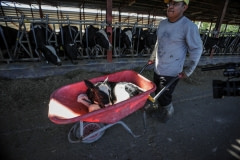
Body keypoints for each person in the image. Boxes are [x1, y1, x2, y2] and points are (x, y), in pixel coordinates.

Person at [148, 0, 203, 122]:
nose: (170, 7)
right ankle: (161, 108)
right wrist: (152, 58)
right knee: (156, 90)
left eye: (175, 4)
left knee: (164, 95)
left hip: (172, 71)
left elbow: (197, 48)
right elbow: (159, 42)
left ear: (184, 7)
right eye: (169, 4)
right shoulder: (162, 24)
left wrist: (188, 70)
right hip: (158, 67)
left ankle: (168, 112)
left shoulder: (188, 26)